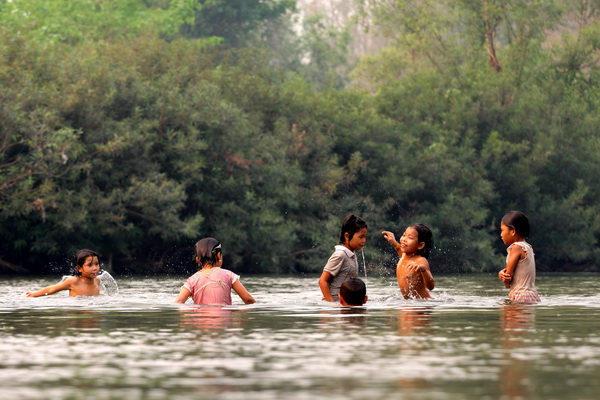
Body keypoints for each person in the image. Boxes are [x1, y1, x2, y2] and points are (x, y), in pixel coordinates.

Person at [174, 237, 255, 305]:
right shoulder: (229, 275)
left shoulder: (192, 280)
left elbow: (178, 301)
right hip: (224, 323)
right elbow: (248, 299)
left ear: (197, 259)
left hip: (201, 322)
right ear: (219, 256)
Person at [319, 214, 368, 302]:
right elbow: (322, 281)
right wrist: (332, 305)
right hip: (336, 305)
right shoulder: (340, 254)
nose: (364, 240)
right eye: (361, 237)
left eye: (365, 237)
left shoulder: (351, 254)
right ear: (347, 236)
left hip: (345, 304)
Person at [382, 223, 434, 299]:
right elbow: (399, 249)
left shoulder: (420, 261)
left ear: (420, 245)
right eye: (404, 235)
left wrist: (423, 269)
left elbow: (431, 287)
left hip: (422, 304)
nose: (404, 239)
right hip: (410, 303)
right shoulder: (404, 256)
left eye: (410, 238)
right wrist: (394, 242)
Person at [498, 211, 540, 303]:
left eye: (502, 230)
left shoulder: (516, 248)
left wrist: (501, 275)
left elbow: (507, 281)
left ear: (512, 231)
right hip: (532, 295)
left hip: (519, 296)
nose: (501, 234)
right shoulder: (528, 247)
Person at [26, 249, 102, 297]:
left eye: (96, 264)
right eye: (90, 265)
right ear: (79, 268)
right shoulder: (73, 281)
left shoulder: (97, 280)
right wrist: (34, 294)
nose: (95, 268)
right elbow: (52, 289)